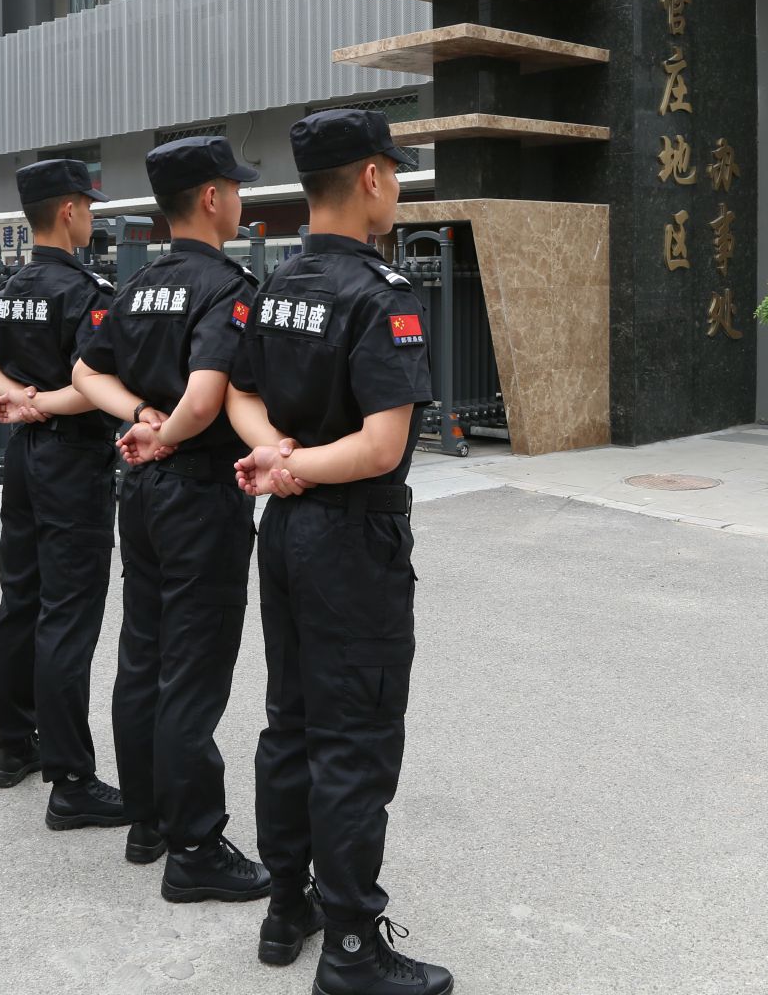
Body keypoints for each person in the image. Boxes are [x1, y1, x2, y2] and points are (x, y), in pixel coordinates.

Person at [226, 109, 452, 994]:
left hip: (285, 536)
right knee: (355, 733)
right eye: (392, 171)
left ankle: (288, 906)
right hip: (351, 536)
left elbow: (242, 394)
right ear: (369, 178)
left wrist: (275, 456)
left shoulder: (277, 283)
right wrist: (296, 467)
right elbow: (381, 448)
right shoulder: (381, 294)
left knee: (292, 720)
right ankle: (353, 946)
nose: (394, 184)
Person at [70, 135, 272, 901]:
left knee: (144, 655)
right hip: (197, 493)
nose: (240, 200)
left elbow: (85, 371)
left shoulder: (139, 285)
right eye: (236, 188)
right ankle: (195, 849)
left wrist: (138, 419)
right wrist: (168, 430)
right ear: (213, 198)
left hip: (144, 493)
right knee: (192, 666)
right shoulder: (227, 286)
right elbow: (207, 394)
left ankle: (148, 821)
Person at [0, 157, 133, 831]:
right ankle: (71, 780)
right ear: (68, 210)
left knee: (20, 602)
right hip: (72, 462)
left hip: (25, 459)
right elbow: (93, 383)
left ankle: (13, 747)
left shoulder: (12, 287)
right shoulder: (86, 292)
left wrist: (16, 399)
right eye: (88, 205)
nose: (92, 216)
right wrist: (39, 402)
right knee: (67, 614)